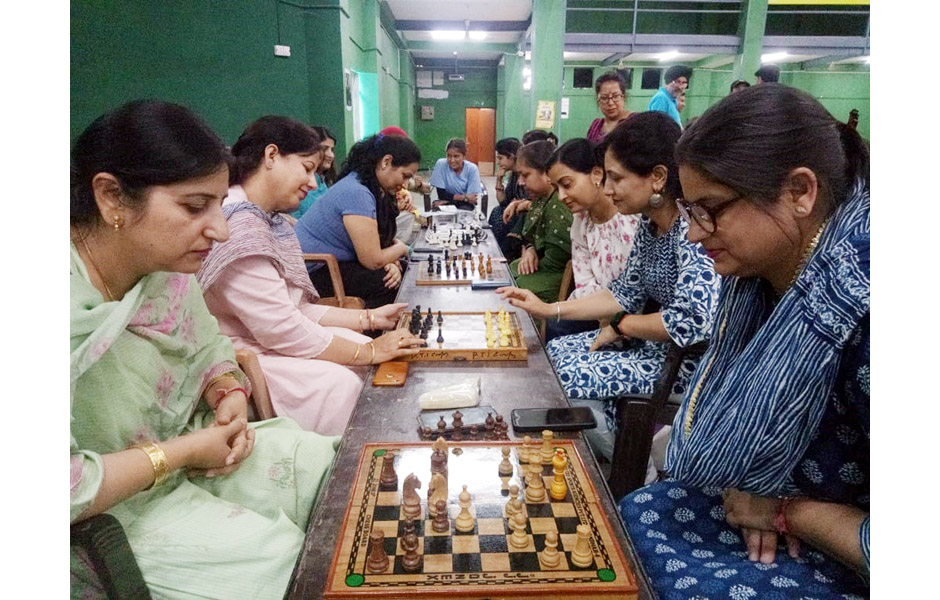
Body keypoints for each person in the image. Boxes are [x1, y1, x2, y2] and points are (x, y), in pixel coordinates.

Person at [70, 100, 338, 599]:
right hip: (107, 503)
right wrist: (180, 453)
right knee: (285, 569)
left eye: (219, 203)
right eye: (195, 207)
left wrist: (226, 393)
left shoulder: (167, 270)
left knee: (327, 465)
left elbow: (210, 346)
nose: (220, 229)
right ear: (111, 197)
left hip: (189, 448)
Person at [620, 84, 870, 598]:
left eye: (711, 209)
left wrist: (786, 512)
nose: (693, 233)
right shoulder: (757, 278)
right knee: (632, 517)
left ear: (800, 192)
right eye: (691, 211)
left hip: (832, 541)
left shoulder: (866, 306)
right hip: (753, 501)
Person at [498, 113, 720, 462]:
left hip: (687, 364)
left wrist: (621, 325)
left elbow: (692, 322)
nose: (608, 188)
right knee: (551, 358)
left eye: (616, 178)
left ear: (658, 177)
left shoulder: (691, 230)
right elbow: (622, 293)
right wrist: (548, 309)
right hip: (650, 348)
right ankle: (617, 449)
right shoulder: (651, 226)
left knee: (566, 379)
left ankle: (628, 469)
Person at [197, 116, 423, 435]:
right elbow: (283, 328)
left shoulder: (264, 217)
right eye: (306, 168)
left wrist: (370, 321)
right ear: (271, 156)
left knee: (361, 350)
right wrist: (369, 351)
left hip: (264, 336)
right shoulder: (240, 228)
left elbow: (293, 309)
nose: (314, 183)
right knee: (342, 384)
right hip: (243, 349)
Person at [295, 133, 421, 308]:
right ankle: (372, 332)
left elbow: (375, 244)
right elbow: (372, 260)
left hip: (338, 263)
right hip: (316, 270)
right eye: (405, 175)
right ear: (386, 162)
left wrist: (393, 262)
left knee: (405, 270)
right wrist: (400, 249)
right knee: (388, 284)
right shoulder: (357, 192)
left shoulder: (368, 186)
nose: (406, 184)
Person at [543, 138, 639, 340]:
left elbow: (637, 289)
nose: (561, 196)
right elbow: (584, 282)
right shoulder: (581, 223)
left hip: (634, 315)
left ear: (597, 174)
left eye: (567, 184)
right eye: (556, 188)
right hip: (595, 309)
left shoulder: (632, 217)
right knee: (557, 326)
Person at [506, 140, 574, 304]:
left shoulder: (561, 205)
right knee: (509, 271)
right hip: (544, 265)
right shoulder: (541, 198)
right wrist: (530, 249)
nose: (520, 182)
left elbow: (559, 259)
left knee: (516, 285)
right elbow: (529, 235)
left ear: (546, 173)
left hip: (557, 274)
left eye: (526, 175)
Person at [290, 125, 337, 220]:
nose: (330, 155)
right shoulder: (298, 183)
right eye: (325, 149)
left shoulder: (327, 181)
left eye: (332, 150)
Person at [489, 137, 525, 256]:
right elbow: (503, 202)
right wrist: (499, 180)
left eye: (500, 158)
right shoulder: (513, 175)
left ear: (511, 157)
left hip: (523, 215)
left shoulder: (524, 174)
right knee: (497, 211)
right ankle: (495, 250)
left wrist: (517, 203)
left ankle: (503, 254)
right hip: (514, 212)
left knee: (501, 219)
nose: (498, 162)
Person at [429, 138, 482, 211]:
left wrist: (448, 199)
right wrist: (464, 197)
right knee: (438, 212)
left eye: (456, 156)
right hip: (446, 203)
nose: (452, 160)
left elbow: (472, 199)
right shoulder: (441, 164)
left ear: (464, 156)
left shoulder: (472, 169)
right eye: (449, 156)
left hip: (465, 205)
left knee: (463, 213)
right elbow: (441, 194)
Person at [587, 70, 632, 143]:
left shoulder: (635, 122)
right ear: (598, 100)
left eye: (615, 96)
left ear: (624, 97)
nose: (610, 103)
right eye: (604, 98)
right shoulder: (596, 126)